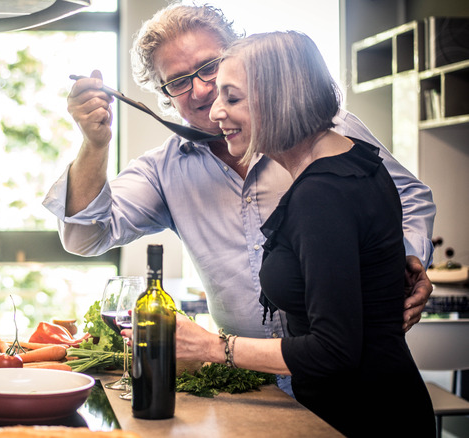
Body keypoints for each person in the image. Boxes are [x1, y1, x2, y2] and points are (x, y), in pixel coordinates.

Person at [42, 3, 435, 391]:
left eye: (209, 67)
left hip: (351, 382)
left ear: (237, 57)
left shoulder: (323, 133)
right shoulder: (163, 170)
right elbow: (84, 236)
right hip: (251, 382)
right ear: (164, 95)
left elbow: (408, 197)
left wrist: (396, 266)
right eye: (178, 81)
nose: (200, 90)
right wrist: (95, 145)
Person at [184, 30, 435, 436]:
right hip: (382, 405)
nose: (215, 113)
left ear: (276, 98)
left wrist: (213, 348)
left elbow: (333, 352)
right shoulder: (358, 160)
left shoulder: (320, 195)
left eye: (231, 98)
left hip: (363, 418)